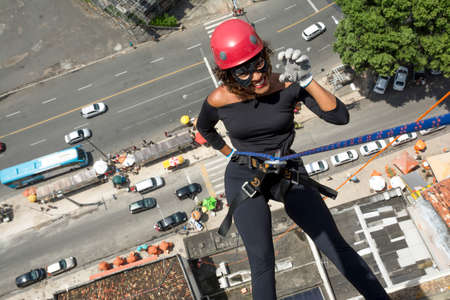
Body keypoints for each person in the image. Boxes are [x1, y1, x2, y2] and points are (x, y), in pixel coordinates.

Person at [197, 19, 390, 300]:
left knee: (333, 244)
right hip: (244, 175)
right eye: (242, 72)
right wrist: (231, 154)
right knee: (262, 261)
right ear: (228, 76)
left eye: (259, 63)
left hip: (287, 170)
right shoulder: (219, 99)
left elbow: (339, 117)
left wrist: (307, 81)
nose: (256, 76)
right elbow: (204, 128)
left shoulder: (288, 84)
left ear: (265, 56)